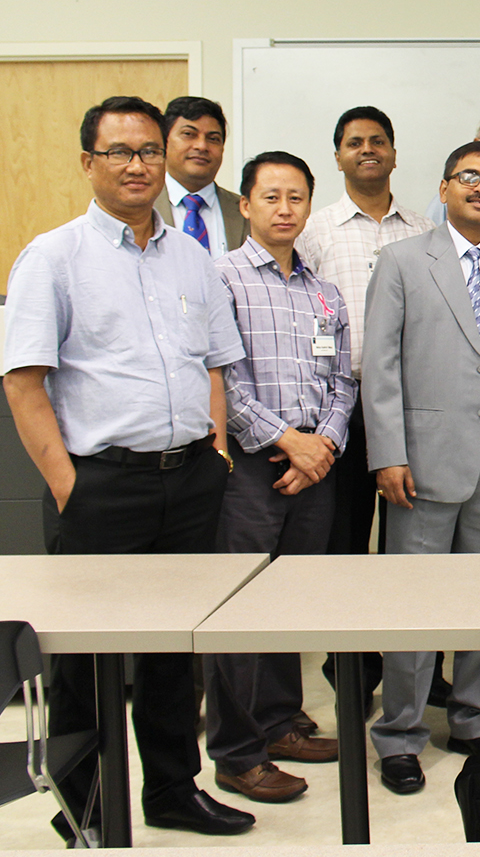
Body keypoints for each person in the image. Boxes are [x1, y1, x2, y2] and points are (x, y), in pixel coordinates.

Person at [2, 96, 253, 838]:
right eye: (120, 152)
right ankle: (82, 803)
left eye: (148, 150)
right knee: (84, 661)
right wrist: (70, 488)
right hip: (101, 484)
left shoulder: (191, 256)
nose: (137, 164)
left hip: (189, 481)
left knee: (177, 652)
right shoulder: (53, 256)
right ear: (89, 163)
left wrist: (213, 450)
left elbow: (214, 362)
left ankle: (173, 791)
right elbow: (24, 382)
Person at [361, 139, 480, 795]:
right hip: (421, 466)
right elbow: (379, 367)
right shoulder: (402, 262)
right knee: (414, 606)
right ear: (443, 188)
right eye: (469, 177)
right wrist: (387, 453)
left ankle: (474, 715)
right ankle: (401, 732)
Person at [206, 151, 352, 803]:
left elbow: (342, 381)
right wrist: (289, 442)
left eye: (296, 197)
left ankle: (280, 723)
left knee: (292, 602)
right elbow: (223, 379)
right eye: (272, 197)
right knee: (239, 611)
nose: (285, 209)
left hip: (314, 470)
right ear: (246, 205)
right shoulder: (221, 278)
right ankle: (238, 752)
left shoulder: (325, 291)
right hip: (250, 468)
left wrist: (323, 445)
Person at [297, 107, 433, 710]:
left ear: (395, 155)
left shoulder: (426, 231)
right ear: (338, 156)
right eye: (355, 143)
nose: (368, 150)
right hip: (341, 409)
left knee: (415, 549)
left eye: (379, 141)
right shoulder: (314, 231)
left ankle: (421, 668)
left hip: (417, 409)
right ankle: (351, 671)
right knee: (345, 548)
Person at [153, 96, 247, 256]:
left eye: (213, 139)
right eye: (189, 134)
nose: (201, 146)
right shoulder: (141, 206)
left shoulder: (246, 212)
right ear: (164, 142)